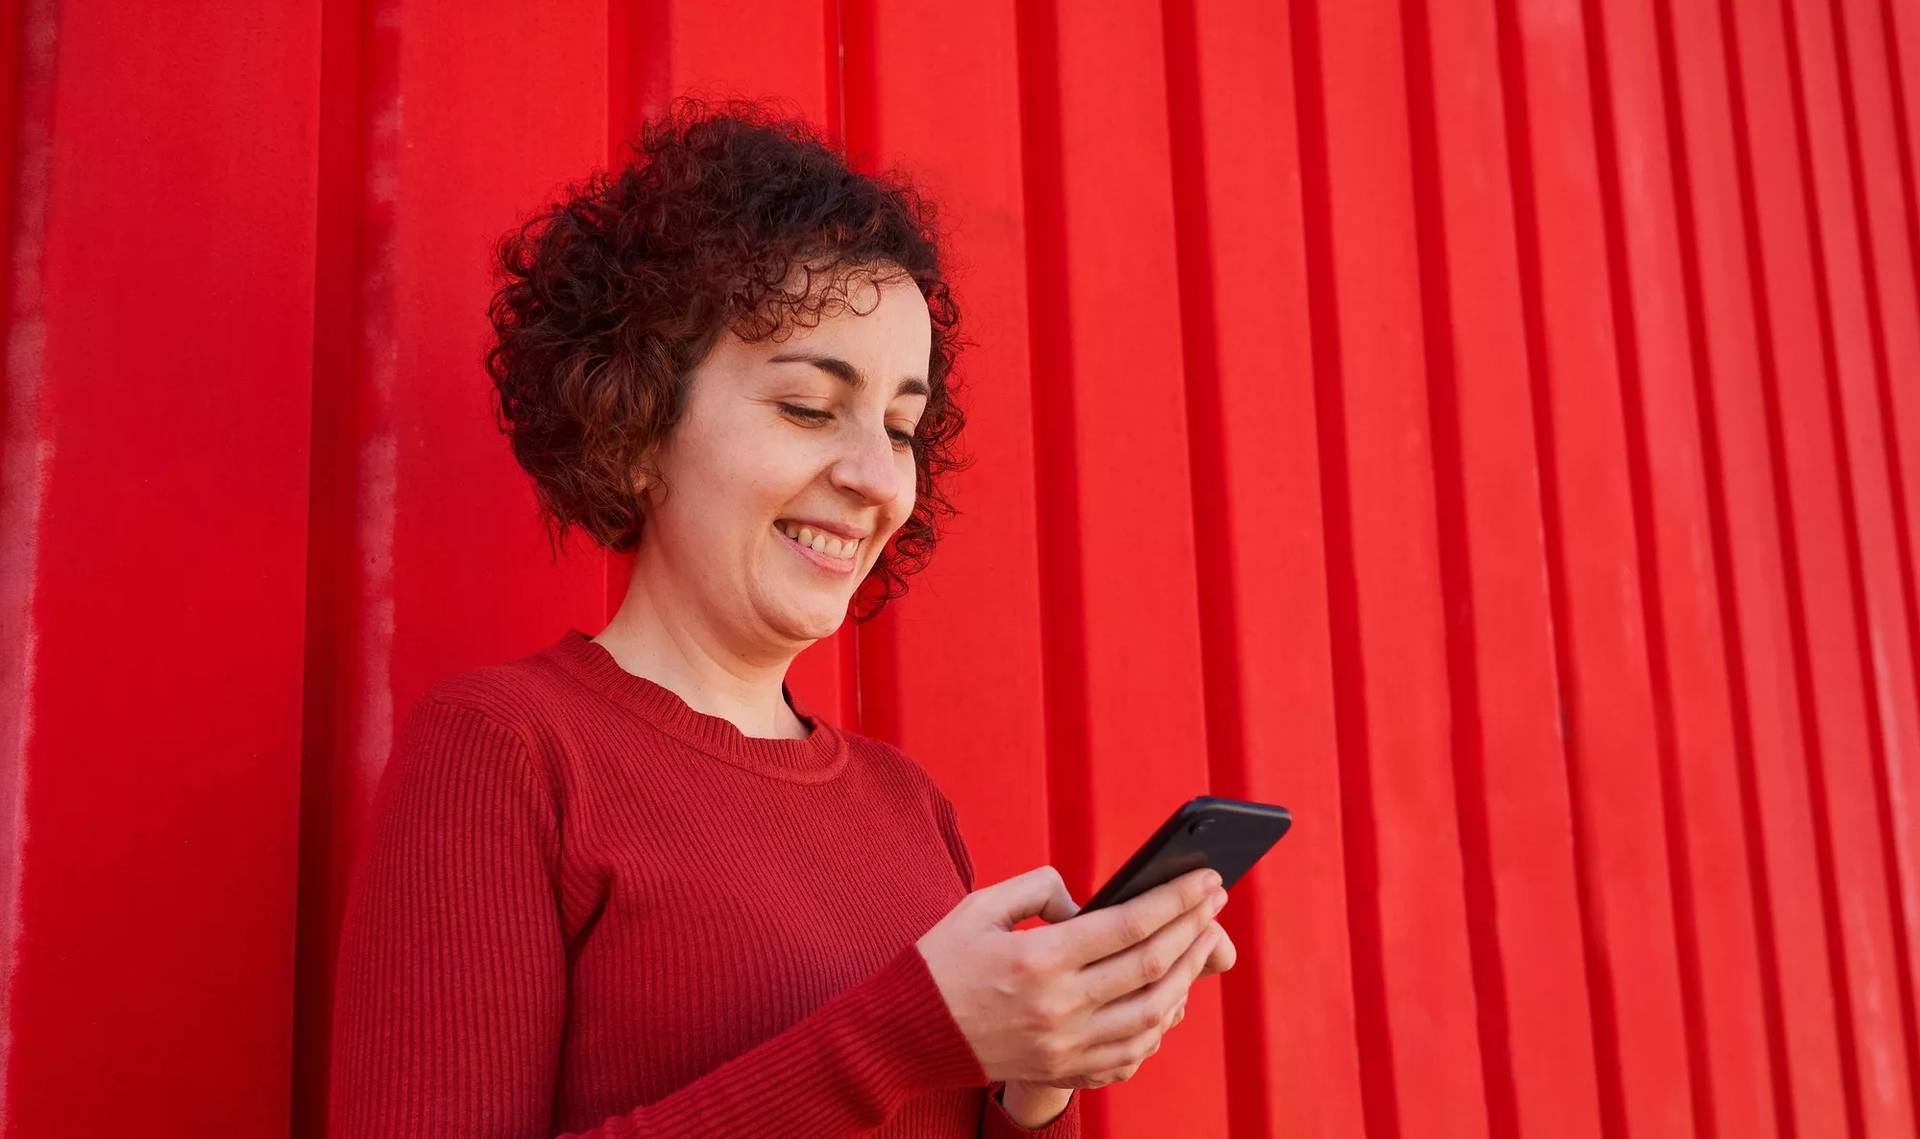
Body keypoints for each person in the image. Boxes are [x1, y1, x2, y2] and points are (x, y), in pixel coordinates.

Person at [327, 98, 1234, 1139]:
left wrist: (1039, 1079)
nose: (871, 477)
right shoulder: (506, 749)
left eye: (901, 426)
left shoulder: (909, 805)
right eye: (809, 406)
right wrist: (904, 1035)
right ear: (634, 422)